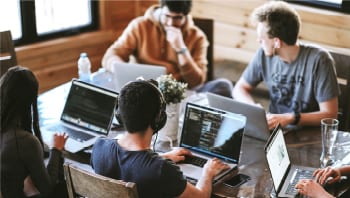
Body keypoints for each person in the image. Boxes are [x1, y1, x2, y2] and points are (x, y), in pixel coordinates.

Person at [90, 79, 230, 198]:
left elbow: (129, 166)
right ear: (159, 119)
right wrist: (208, 172)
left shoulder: (99, 147)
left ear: (119, 115)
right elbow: (201, 196)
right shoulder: (161, 170)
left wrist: (162, 157)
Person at [232, 1, 339, 130]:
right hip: (274, 132)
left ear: (277, 42)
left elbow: (330, 115)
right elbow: (239, 88)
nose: (258, 41)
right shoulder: (263, 55)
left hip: (308, 136)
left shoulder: (319, 60)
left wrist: (290, 118)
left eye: (261, 38)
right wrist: (253, 107)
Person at [102, 0, 233, 98]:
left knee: (224, 86)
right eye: (167, 16)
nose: (170, 23)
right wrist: (118, 68)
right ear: (161, 9)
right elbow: (112, 55)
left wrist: (181, 49)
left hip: (178, 95)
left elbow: (197, 82)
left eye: (177, 18)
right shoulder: (139, 26)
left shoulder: (197, 37)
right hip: (143, 91)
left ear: (186, 16)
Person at [0, 66, 68, 198]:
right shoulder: (24, 141)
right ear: (29, 100)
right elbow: (47, 189)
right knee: (64, 187)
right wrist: (56, 149)